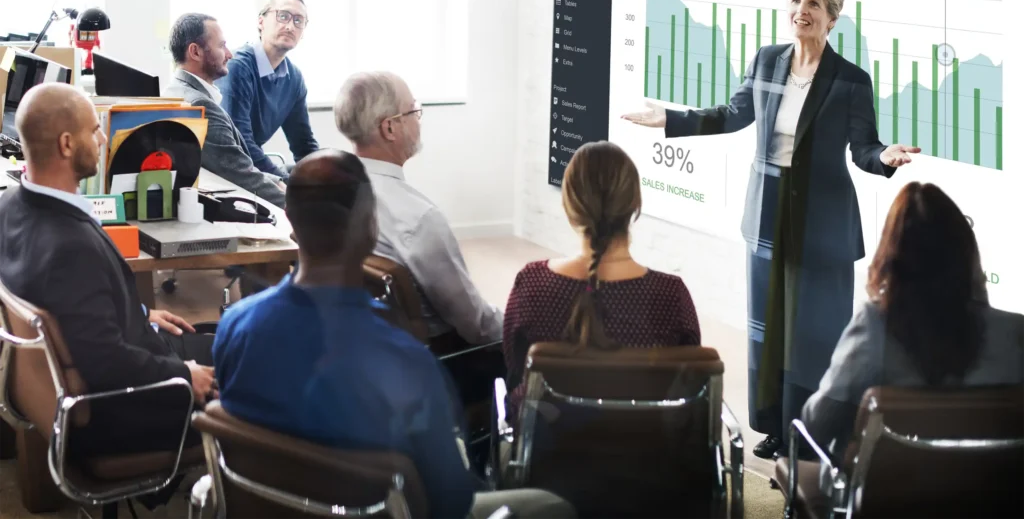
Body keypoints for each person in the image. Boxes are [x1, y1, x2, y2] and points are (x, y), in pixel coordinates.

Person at [623, 0, 920, 459]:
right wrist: (671, 120)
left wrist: (884, 157)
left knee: (816, 333)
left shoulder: (850, 80)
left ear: (832, 18)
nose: (802, 10)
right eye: (797, 0)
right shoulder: (766, 61)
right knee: (769, 330)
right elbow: (733, 113)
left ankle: (816, 431)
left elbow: (864, 147)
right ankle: (776, 427)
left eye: (814, 4)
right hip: (766, 214)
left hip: (822, 225)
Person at [213, 151, 575, 519]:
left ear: (290, 222)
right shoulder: (404, 361)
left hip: (272, 506)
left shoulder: (235, 327)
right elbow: (452, 501)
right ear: (371, 228)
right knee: (553, 507)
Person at [0, 83, 216, 457]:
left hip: (107, 368)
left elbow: (72, 308)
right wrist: (184, 375)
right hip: (124, 408)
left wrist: (142, 314)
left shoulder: (10, 205)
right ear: (66, 144)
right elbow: (107, 363)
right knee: (253, 361)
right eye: (94, 129)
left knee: (221, 336)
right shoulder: (71, 247)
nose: (102, 139)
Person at [802, 182, 1024, 456]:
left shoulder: (874, 325)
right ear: (967, 252)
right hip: (986, 493)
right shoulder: (1015, 333)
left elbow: (818, 425)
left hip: (887, 494)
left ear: (891, 256)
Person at [503, 141, 701, 420]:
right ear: (635, 204)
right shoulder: (670, 296)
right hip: (649, 454)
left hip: (551, 454)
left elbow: (514, 373)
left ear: (568, 204)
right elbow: (689, 392)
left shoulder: (533, 284)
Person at [333, 71, 502, 345]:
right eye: (414, 111)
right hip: (438, 361)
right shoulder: (419, 219)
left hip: (359, 347)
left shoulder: (327, 193)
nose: (419, 120)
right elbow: (477, 326)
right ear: (390, 128)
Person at [166, 12, 286, 208]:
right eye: (222, 46)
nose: (229, 54)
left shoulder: (176, 91)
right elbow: (240, 175)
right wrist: (299, 208)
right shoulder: (200, 106)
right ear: (195, 52)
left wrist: (277, 181)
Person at [216, 0, 318, 179]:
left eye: (298, 21)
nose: (290, 26)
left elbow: (303, 144)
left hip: (250, 168)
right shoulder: (237, 67)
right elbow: (241, 143)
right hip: (222, 171)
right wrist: (286, 182)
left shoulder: (294, 79)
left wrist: (328, 178)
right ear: (261, 22)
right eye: (283, 16)